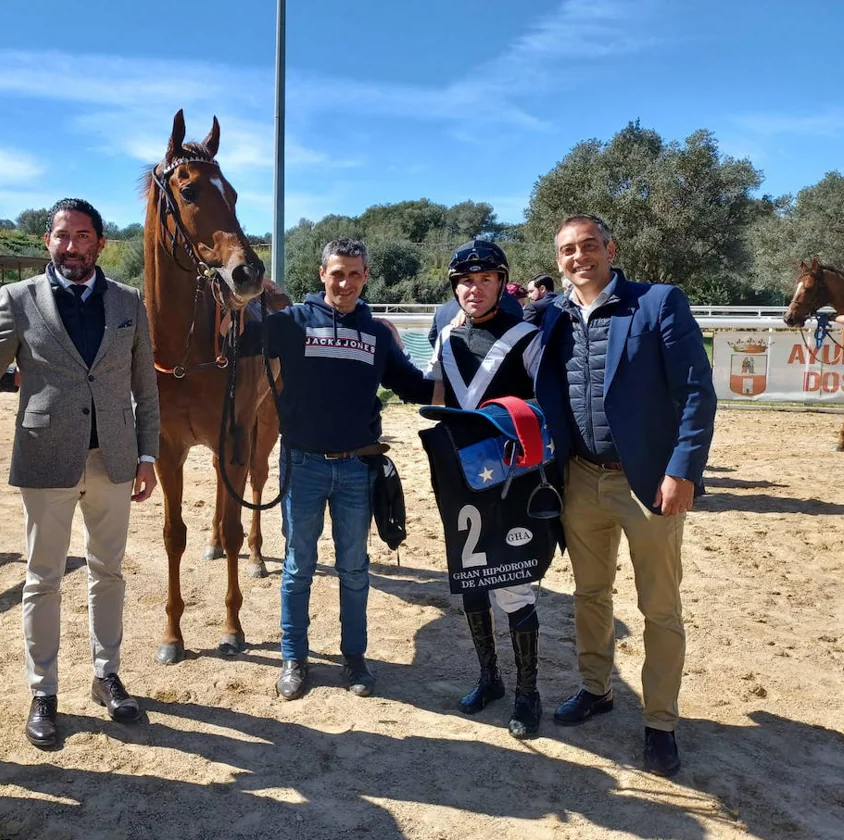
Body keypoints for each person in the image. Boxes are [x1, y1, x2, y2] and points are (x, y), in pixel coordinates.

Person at [0, 198, 160, 750]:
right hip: (46, 458)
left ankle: (106, 674)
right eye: (62, 236)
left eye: (83, 236)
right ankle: (43, 692)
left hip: (113, 459)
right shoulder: (19, 300)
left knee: (108, 571)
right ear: (48, 241)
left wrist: (147, 455)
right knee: (42, 578)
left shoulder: (128, 302)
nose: (72, 246)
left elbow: (146, 387)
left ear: (100, 243)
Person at [533, 213, 716, 776]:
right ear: (558, 259)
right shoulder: (551, 315)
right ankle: (597, 688)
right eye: (567, 250)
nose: (578, 257)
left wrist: (682, 470)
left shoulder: (657, 303)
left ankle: (660, 722)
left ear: (611, 249)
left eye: (589, 246)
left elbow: (696, 393)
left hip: (649, 481)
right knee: (590, 593)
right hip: (580, 477)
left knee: (659, 608)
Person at [253, 238, 434, 701]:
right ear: (322, 274)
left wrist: (474, 384)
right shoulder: (293, 323)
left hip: (358, 468)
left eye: (355, 274)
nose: (346, 283)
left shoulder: (376, 334)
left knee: (354, 568)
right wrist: (236, 292)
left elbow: (414, 386)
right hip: (304, 465)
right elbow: (235, 345)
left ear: (365, 277)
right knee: (298, 568)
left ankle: (355, 657)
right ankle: (294, 657)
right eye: (337, 273)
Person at [425, 239, 550, 738]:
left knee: (515, 586)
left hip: (512, 476)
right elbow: (437, 399)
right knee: (470, 578)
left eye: (483, 279)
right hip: (461, 478)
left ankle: (528, 693)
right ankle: (489, 679)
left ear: (501, 282)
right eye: (463, 281)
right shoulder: (448, 339)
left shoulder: (528, 337)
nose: (472, 289)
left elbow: (545, 404)